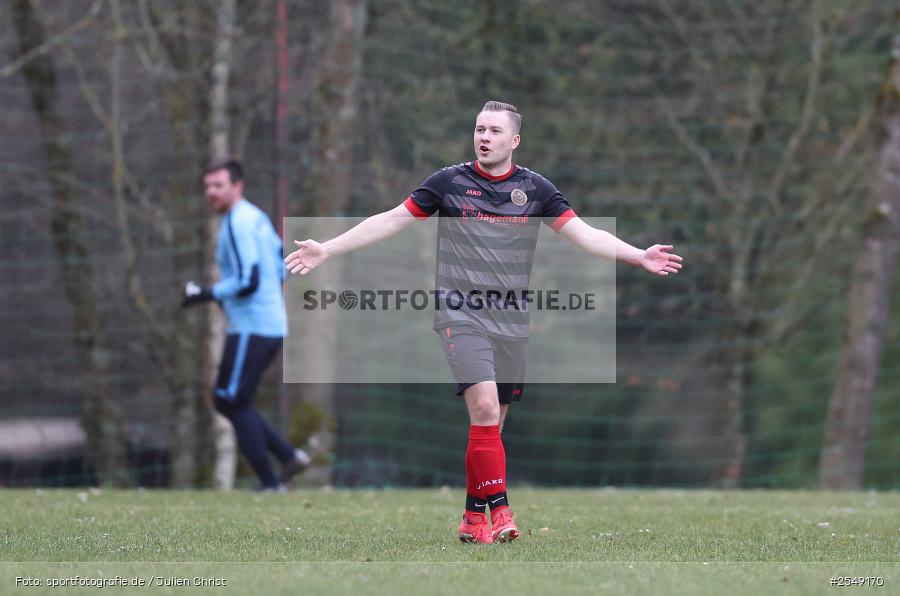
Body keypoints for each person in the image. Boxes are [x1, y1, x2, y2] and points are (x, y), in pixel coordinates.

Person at [284, 101, 683, 541]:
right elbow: (391, 220)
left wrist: (637, 255)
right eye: (479, 129)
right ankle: (502, 513)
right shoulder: (449, 182)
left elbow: (586, 235)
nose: (484, 137)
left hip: (511, 318)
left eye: (494, 130)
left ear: (514, 141)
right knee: (487, 408)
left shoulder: (535, 190)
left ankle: (473, 518)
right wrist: (328, 248)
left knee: (491, 425)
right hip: (460, 313)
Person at [183, 159, 311, 492]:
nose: (211, 192)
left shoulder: (238, 222)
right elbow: (281, 268)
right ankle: (287, 457)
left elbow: (249, 280)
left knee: (230, 399)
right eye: (207, 185)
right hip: (264, 324)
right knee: (231, 399)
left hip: (252, 326)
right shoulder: (255, 216)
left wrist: (206, 293)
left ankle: (273, 481)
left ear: (237, 185)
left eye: (218, 185)